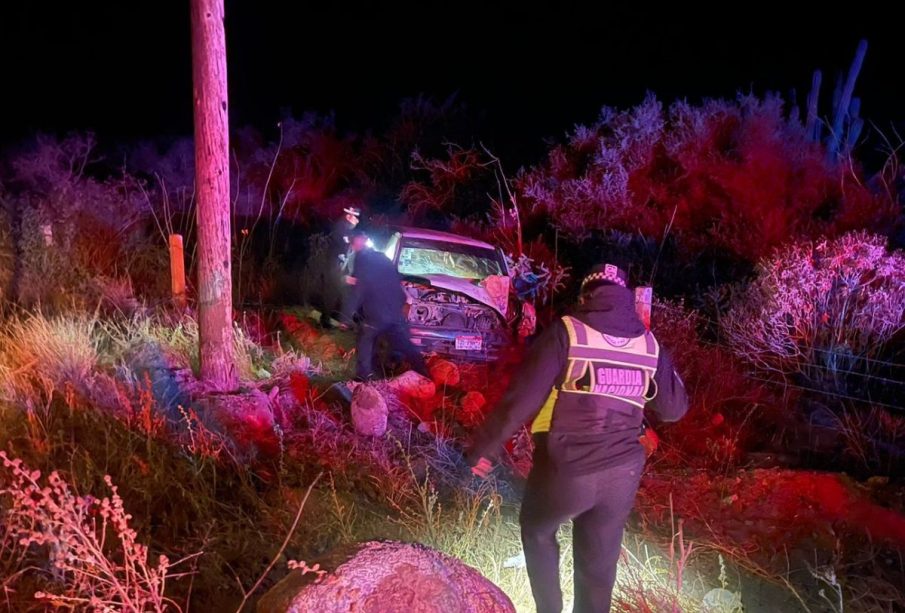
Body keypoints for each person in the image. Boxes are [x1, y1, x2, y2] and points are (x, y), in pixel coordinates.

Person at [466, 262, 688, 613]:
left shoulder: (568, 333)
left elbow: (521, 400)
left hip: (568, 469)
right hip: (622, 476)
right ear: (626, 299)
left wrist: (486, 449)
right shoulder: (649, 345)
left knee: (537, 530)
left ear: (587, 294)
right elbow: (674, 409)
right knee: (598, 570)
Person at [340, 229, 429, 381]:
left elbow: (360, 288)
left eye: (352, 242)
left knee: (365, 339)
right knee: (403, 343)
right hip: (395, 308)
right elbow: (394, 279)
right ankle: (424, 373)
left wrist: (346, 316)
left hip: (377, 310)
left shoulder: (362, 259)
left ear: (357, 241)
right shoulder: (381, 257)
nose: (352, 245)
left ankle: (364, 378)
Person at [320, 207, 361, 328]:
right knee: (334, 293)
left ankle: (335, 319)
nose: (356, 220)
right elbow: (342, 246)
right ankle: (327, 320)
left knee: (340, 293)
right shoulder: (341, 228)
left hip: (339, 267)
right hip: (336, 268)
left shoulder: (346, 229)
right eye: (355, 217)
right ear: (349, 216)